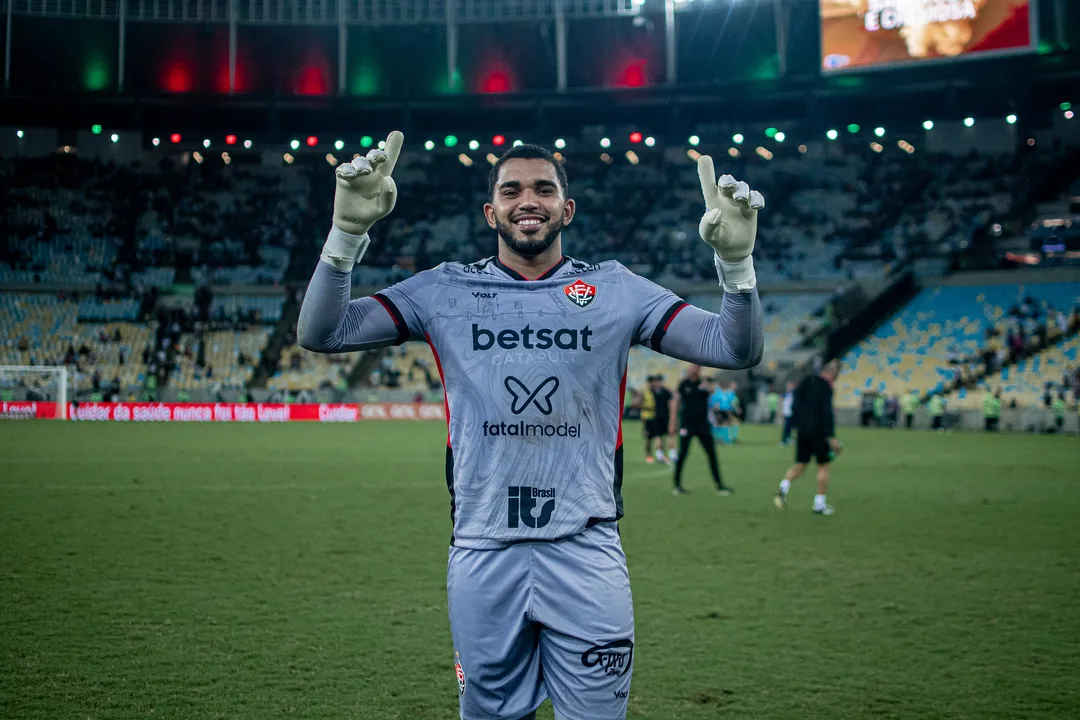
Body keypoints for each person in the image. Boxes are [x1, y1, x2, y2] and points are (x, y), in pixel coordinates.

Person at [297, 134, 764, 720]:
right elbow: (322, 332)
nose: (529, 200)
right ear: (490, 212)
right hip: (482, 548)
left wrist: (737, 267)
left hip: (585, 549)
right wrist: (345, 236)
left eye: (545, 188)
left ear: (567, 209)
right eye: (511, 189)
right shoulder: (444, 290)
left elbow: (732, 347)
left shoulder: (617, 289)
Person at [774, 360, 842, 516]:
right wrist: (831, 436)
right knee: (823, 466)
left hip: (802, 431)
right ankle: (819, 504)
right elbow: (827, 412)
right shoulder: (826, 387)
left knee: (800, 464)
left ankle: (783, 488)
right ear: (832, 374)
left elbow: (795, 404)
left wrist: (798, 425)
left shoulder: (805, 381)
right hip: (819, 432)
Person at [672, 365, 734, 496]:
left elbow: (712, 391)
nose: (695, 369)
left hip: (702, 425)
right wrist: (672, 422)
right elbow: (676, 402)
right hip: (687, 425)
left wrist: (706, 385)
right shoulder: (684, 384)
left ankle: (720, 485)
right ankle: (677, 485)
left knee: (712, 454)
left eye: (697, 367)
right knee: (683, 454)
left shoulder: (704, 383)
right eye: (693, 367)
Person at [642, 375, 675, 464]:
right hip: (652, 418)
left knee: (667, 435)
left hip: (664, 417)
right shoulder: (649, 392)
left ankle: (668, 455)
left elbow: (672, 400)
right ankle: (655, 455)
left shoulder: (664, 391)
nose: (656, 383)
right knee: (654, 437)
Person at [779, 380, 796, 446]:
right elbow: (781, 403)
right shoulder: (785, 394)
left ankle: (789, 439)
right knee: (786, 427)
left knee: (792, 428)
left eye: (791, 386)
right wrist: (781, 412)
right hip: (787, 414)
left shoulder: (794, 394)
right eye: (789, 386)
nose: (789, 387)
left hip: (793, 413)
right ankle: (783, 440)